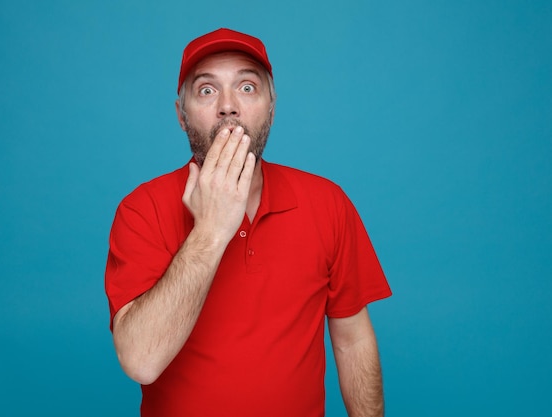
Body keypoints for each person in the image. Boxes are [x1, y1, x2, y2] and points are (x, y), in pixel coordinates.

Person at [105, 28, 392, 417]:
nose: (228, 106)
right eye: (207, 90)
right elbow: (141, 361)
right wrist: (209, 232)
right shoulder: (142, 210)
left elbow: (352, 341)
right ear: (181, 114)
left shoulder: (328, 204)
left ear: (271, 107)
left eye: (247, 87)